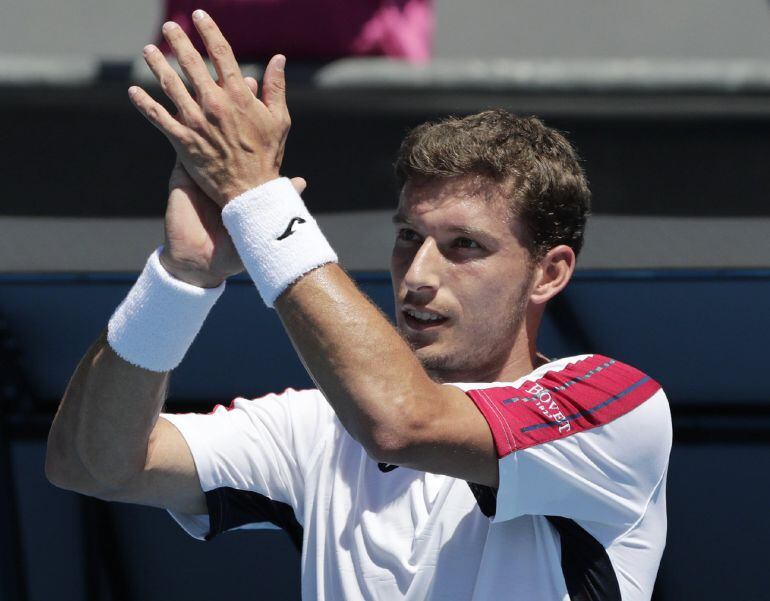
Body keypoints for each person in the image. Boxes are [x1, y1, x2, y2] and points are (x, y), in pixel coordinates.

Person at [45, 10, 672, 601]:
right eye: (408, 237)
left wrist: (258, 198)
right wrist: (180, 277)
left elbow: (400, 422)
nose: (418, 274)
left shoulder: (615, 406)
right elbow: (90, 465)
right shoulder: (318, 426)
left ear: (549, 272)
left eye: (464, 246)